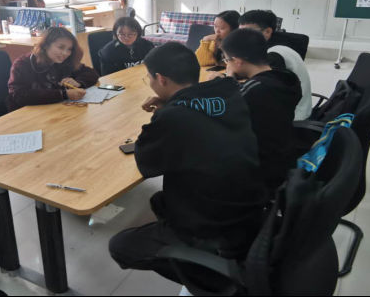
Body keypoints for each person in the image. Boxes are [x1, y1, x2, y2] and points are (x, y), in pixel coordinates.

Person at [109, 42, 266, 289]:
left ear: (161, 79)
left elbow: (146, 163)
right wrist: (171, 106)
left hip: (213, 226)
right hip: (249, 210)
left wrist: (162, 115)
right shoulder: (229, 94)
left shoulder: (173, 118)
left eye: (149, 78)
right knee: (159, 201)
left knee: (120, 246)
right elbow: (197, 122)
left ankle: (213, 278)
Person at [221, 28, 303, 192]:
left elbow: (223, 111)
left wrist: (228, 78)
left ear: (237, 61)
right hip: (280, 157)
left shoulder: (255, 90)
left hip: (258, 172)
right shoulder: (287, 79)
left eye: (227, 60)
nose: (226, 64)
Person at [240, 10, 313, 121]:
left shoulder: (274, 55)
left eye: (247, 32)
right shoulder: (279, 46)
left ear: (267, 32)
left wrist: (230, 78)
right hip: (296, 108)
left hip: (293, 117)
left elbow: (262, 91)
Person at [7, 27, 99, 110]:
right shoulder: (22, 64)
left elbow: (91, 73)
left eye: (69, 49)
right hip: (27, 114)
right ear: (46, 45)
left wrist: (79, 82)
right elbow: (19, 95)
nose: (65, 53)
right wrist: (63, 94)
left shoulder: (63, 61)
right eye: (61, 47)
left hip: (55, 109)